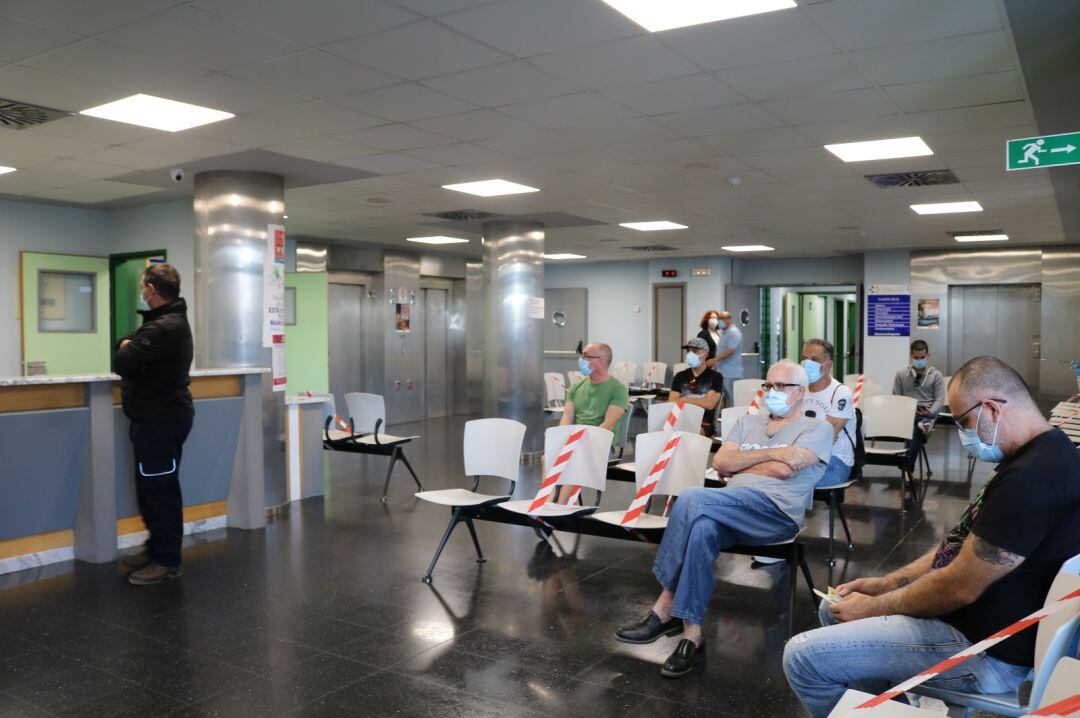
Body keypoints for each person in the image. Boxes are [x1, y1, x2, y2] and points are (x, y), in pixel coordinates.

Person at [784, 356, 1080, 718]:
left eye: (964, 422)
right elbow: (956, 548)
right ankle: (891, 710)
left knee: (803, 658)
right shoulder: (1038, 454)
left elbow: (959, 586)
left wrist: (875, 606)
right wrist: (884, 584)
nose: (963, 435)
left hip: (984, 650)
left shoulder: (1031, 480)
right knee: (836, 608)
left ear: (991, 409)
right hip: (970, 624)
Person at [615, 360, 833, 678]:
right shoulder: (747, 423)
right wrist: (773, 454)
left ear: (800, 392)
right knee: (702, 528)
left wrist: (742, 464)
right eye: (768, 385)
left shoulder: (818, 428)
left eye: (781, 386)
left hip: (775, 514)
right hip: (729, 509)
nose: (772, 392)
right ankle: (693, 637)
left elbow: (786, 470)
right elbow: (721, 461)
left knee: (690, 497)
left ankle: (664, 606)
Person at [114, 263, 194, 586]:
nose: (141, 291)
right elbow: (128, 346)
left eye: (144, 286)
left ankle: (166, 560)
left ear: (152, 290)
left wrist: (127, 346)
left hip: (161, 422)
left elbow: (122, 359)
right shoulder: (162, 324)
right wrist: (128, 344)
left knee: (160, 492)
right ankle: (156, 548)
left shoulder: (165, 328)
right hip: (155, 420)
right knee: (151, 490)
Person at [801, 339, 855, 487]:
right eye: (804, 359)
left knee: (792, 483)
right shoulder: (799, 389)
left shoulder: (840, 393)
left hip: (834, 460)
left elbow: (828, 436)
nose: (807, 364)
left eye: (814, 360)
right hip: (802, 456)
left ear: (828, 365)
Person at [892, 340, 946, 473]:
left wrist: (930, 412)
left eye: (922, 357)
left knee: (914, 429)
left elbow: (940, 400)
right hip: (907, 413)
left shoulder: (936, 376)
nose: (919, 360)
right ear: (911, 355)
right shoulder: (901, 375)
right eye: (916, 357)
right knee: (916, 427)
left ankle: (907, 469)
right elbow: (896, 398)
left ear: (928, 355)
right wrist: (907, 410)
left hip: (927, 413)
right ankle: (908, 469)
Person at [561, 341, 629, 443]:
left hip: (600, 443)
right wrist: (562, 440)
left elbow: (608, 425)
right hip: (576, 441)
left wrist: (580, 443)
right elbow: (566, 417)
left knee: (573, 458)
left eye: (586, 356)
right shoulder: (575, 387)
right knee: (548, 457)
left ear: (601, 361)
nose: (582, 360)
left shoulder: (619, 389)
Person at [669, 337, 723, 437]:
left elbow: (710, 404)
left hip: (704, 422)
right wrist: (703, 399)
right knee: (663, 431)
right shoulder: (680, 376)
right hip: (681, 418)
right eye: (688, 351)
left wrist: (684, 399)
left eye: (695, 351)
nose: (690, 354)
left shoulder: (716, 377)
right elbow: (672, 401)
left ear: (705, 354)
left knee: (690, 434)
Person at [714, 311, 743, 407]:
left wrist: (714, 360)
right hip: (723, 372)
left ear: (729, 319)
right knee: (721, 397)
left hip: (732, 373)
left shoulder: (734, 332)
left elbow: (730, 350)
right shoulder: (724, 333)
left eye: (722, 318)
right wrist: (716, 364)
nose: (719, 321)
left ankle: (734, 420)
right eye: (719, 319)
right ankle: (721, 419)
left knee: (734, 400)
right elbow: (721, 350)